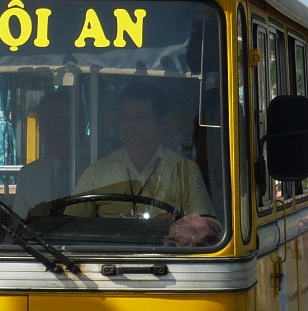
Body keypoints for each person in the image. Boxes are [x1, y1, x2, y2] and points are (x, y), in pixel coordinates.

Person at [66, 82, 220, 246]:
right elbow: (71, 226)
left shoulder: (185, 170)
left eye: (142, 116)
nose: (132, 125)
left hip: (169, 260)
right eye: (126, 116)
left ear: (162, 124)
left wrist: (175, 225)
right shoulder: (97, 172)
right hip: (108, 259)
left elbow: (205, 228)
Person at [13, 90, 76, 219]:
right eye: (45, 123)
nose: (51, 130)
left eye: (58, 121)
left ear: (77, 123)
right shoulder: (29, 175)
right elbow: (18, 226)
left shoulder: (98, 168)